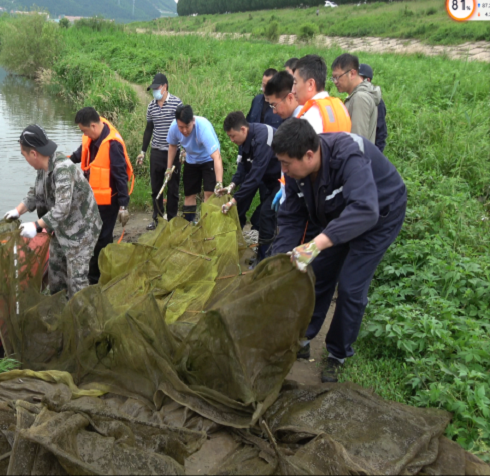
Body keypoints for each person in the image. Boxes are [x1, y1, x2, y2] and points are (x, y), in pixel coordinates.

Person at [271, 118, 407, 383]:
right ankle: (304, 336)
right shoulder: (296, 170)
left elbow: (366, 210)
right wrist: (281, 255)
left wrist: (318, 243)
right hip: (338, 215)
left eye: (286, 163)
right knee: (317, 273)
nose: (282, 168)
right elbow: (291, 218)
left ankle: (338, 353)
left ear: (309, 155)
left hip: (379, 215)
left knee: (350, 286)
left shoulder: (348, 155)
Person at [3, 124, 102, 299]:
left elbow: (62, 209)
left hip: (82, 230)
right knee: (56, 275)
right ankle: (60, 311)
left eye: (24, 155)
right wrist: (17, 211)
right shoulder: (43, 168)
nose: (24, 159)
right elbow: (36, 193)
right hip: (61, 228)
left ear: (33, 154)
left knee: (77, 282)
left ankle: (84, 320)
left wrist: (36, 226)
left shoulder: (62, 168)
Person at [70, 107, 134, 285]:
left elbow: (121, 176)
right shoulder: (91, 135)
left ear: (93, 125)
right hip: (92, 197)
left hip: (109, 200)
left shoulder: (112, 144)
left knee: (103, 237)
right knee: (92, 234)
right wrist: (64, 161)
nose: (84, 134)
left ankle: (97, 278)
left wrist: (123, 206)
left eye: (84, 130)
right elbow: (79, 154)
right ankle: (94, 271)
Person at [219, 111, 280, 262]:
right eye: (229, 137)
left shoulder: (262, 137)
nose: (231, 140)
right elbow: (242, 168)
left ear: (243, 130)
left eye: (233, 136)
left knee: (266, 214)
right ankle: (264, 255)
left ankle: (264, 261)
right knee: (263, 217)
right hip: (269, 179)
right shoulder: (243, 141)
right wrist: (231, 186)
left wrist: (233, 200)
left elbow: (254, 176)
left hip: (285, 179)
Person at [137, 73, 183, 230]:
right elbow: (149, 130)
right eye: (153, 89)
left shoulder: (177, 104)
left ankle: (171, 220)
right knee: (156, 187)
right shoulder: (151, 106)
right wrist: (143, 151)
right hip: (156, 152)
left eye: (157, 88)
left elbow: (183, 128)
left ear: (165, 87)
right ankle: (157, 218)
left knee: (173, 188)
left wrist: (183, 151)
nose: (155, 92)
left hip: (174, 152)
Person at [166, 105, 224, 223]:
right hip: (191, 159)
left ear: (193, 120)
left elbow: (217, 157)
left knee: (209, 193)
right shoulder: (174, 127)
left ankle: (206, 224)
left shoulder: (203, 128)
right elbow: (172, 146)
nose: (184, 131)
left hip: (208, 158)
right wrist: (168, 168)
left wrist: (219, 183)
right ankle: (189, 223)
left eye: (187, 126)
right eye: (181, 127)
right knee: (189, 193)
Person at [292, 55, 351, 134]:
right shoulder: (340, 107)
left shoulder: (309, 118)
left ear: (310, 84)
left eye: (295, 83)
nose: (293, 91)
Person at [331, 54, 381, 144]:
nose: (335, 82)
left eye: (337, 77)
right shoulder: (357, 96)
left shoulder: (360, 98)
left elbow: (357, 142)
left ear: (352, 74)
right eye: (333, 78)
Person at [359, 63, 388, 153]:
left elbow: (381, 132)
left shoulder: (377, 102)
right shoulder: (356, 97)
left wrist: (376, 155)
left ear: (367, 80)